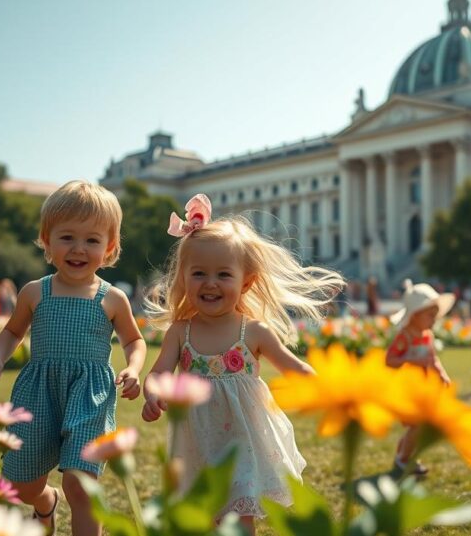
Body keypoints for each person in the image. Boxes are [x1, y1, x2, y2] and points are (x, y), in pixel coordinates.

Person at [141, 194, 344, 535]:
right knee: (201, 517)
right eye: (199, 274)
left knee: (238, 517)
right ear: (183, 278)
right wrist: (152, 394)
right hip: (197, 443)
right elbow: (159, 372)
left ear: (245, 282)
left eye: (223, 274)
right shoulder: (181, 331)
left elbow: (295, 368)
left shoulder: (253, 332)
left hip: (243, 444)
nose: (210, 283)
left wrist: (329, 389)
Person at [0, 180, 146, 536]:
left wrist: (133, 367)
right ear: (46, 239)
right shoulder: (34, 292)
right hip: (38, 393)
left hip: (90, 396)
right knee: (21, 485)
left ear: (110, 247)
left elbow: (134, 340)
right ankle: (45, 502)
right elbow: (12, 332)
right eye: (67, 237)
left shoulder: (112, 298)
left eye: (92, 240)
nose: (78, 249)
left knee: (81, 483)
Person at [385, 280, 454, 478]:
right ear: (414, 315)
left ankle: (403, 457)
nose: (434, 319)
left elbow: (433, 358)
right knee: (417, 426)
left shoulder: (427, 336)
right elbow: (390, 359)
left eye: (435, 315)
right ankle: (404, 460)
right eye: (430, 315)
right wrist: (411, 359)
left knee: (417, 427)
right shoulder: (405, 337)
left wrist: (441, 373)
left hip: (423, 388)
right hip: (408, 388)